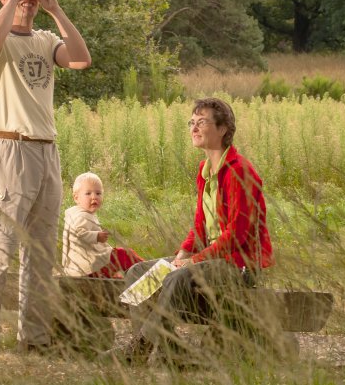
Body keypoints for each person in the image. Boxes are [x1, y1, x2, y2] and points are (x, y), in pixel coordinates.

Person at [0, 0, 91, 355]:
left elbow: (81, 60)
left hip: (46, 151)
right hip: (9, 148)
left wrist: (54, 8)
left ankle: (34, 338)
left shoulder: (45, 39)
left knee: (40, 254)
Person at [109, 97, 274, 366]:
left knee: (178, 276)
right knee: (138, 272)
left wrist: (191, 262)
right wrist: (182, 255)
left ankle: (141, 346)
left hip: (239, 265)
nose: (194, 128)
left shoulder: (239, 171)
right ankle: (170, 350)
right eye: (192, 122)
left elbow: (237, 235)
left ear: (222, 129)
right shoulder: (206, 170)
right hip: (209, 260)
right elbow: (199, 225)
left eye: (202, 122)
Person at [61, 172, 144, 278]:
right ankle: (150, 270)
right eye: (88, 193)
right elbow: (77, 234)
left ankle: (116, 280)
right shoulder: (81, 216)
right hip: (88, 268)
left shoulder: (76, 214)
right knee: (123, 255)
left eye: (98, 193)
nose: (94, 197)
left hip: (84, 267)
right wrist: (96, 236)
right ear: (76, 198)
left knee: (115, 270)